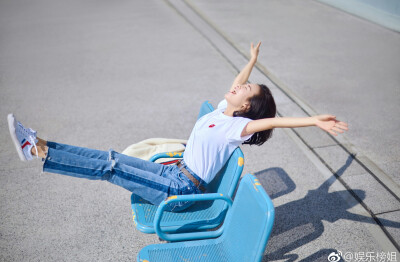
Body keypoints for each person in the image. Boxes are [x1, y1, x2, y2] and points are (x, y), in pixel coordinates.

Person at [7, 42, 348, 211]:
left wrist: (313, 120)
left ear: (246, 108)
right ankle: (42, 146)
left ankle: (38, 151)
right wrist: (251, 63)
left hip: (181, 190)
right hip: (176, 174)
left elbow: (274, 120)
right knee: (112, 158)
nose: (238, 85)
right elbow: (236, 81)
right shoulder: (220, 113)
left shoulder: (235, 129)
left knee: (110, 166)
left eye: (244, 90)